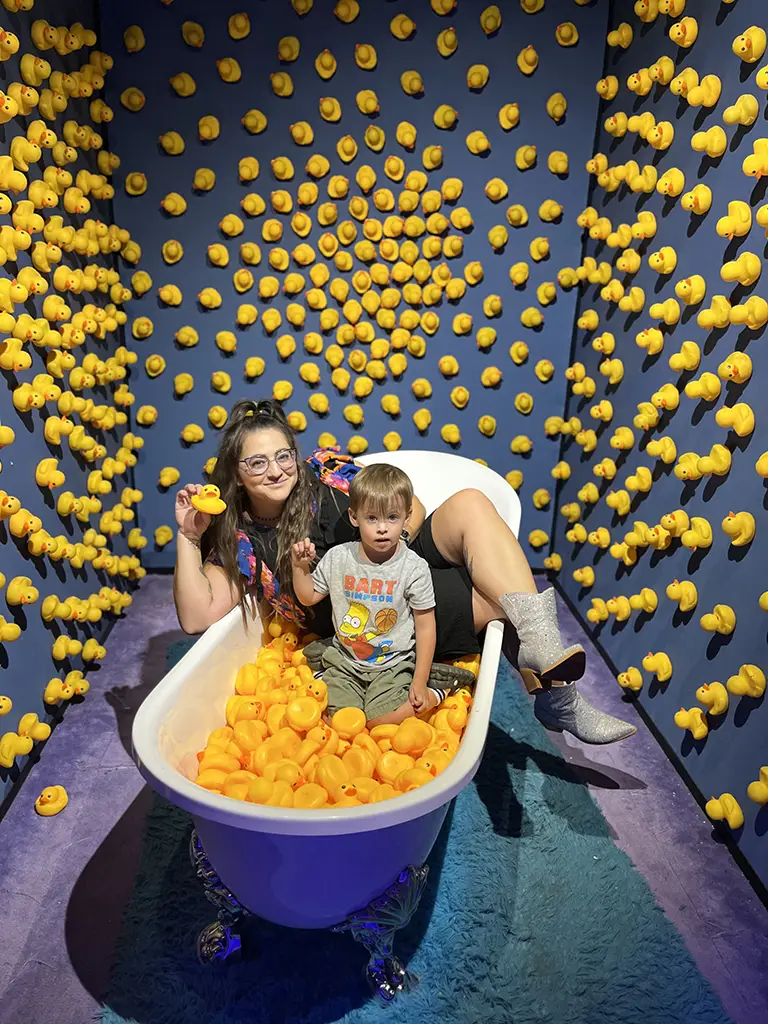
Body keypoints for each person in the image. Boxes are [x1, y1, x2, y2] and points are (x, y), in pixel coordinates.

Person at [174, 399, 635, 744]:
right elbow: (196, 617)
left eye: (283, 455)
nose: (276, 470)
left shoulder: (329, 477)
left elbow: (408, 505)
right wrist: (189, 537)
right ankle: (558, 697)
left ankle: (543, 647)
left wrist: (398, 552)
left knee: (471, 502)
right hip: (375, 617)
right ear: (235, 473)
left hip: (404, 563)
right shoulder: (241, 541)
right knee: (498, 600)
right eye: (257, 462)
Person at [291, 463, 448, 726]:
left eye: (392, 518)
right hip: (346, 660)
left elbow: (425, 626)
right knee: (339, 721)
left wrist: (419, 682)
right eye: (372, 518)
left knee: (379, 722)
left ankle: (437, 691)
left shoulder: (413, 567)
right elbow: (308, 597)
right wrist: (299, 567)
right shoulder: (339, 558)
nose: (382, 528)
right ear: (355, 517)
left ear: (407, 517)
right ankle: (326, 672)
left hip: (394, 663)